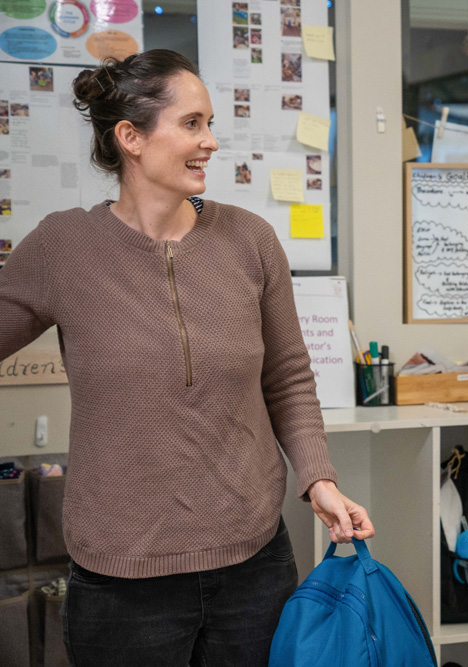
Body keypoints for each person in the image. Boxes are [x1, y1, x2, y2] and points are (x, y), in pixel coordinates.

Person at [0, 50, 373, 666]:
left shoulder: (250, 239)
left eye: (211, 124)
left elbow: (287, 378)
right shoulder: (63, 247)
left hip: (254, 562)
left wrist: (320, 480)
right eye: (193, 124)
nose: (211, 142)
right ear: (131, 138)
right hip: (122, 576)